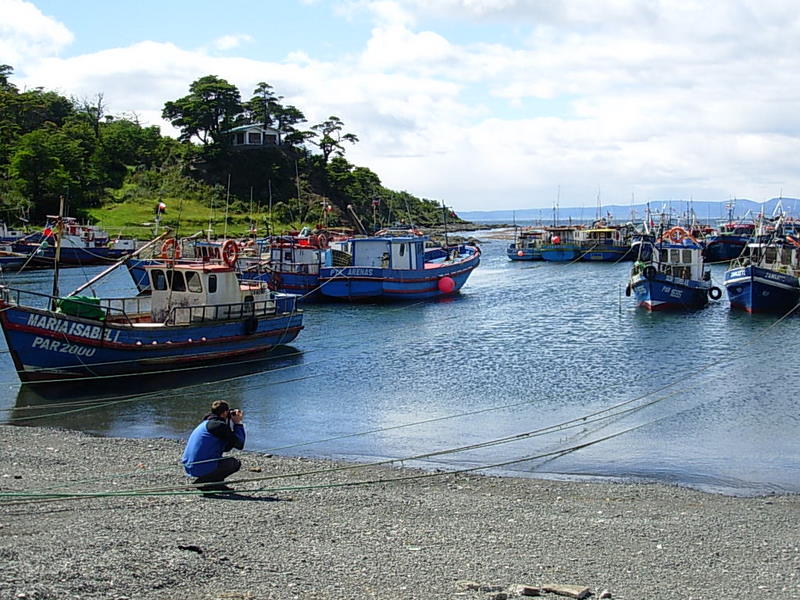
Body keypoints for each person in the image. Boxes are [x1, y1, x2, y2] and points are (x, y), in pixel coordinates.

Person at [182, 400, 245, 493]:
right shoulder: (219, 426)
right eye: (228, 412)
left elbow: (227, 448)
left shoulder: (207, 423)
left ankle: (216, 483)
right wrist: (238, 423)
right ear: (224, 413)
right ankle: (204, 482)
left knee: (223, 461)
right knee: (234, 463)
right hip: (198, 466)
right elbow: (240, 444)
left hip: (189, 465)